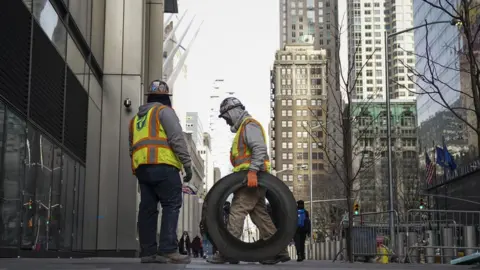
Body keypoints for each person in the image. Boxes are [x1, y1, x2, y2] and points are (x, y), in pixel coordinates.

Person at [207, 97, 290, 265]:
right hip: (251, 179)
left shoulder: (249, 125)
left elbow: (259, 148)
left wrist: (252, 172)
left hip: (251, 179)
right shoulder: (244, 128)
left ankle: (227, 251)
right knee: (259, 214)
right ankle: (279, 250)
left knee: (237, 212)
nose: (226, 121)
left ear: (233, 111)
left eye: (226, 117)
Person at [129, 80, 192, 264]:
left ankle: (148, 252)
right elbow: (177, 139)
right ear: (166, 97)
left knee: (147, 209)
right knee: (171, 205)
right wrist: (187, 165)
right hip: (164, 166)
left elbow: (131, 147)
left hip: (143, 169)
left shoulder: (136, 119)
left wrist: (137, 169)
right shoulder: (164, 112)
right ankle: (168, 250)